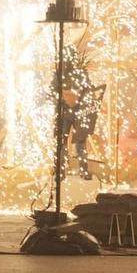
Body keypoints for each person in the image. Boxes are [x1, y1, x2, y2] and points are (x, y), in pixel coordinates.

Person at [54, 46, 103, 181]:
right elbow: (53, 90)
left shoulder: (74, 73)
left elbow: (88, 90)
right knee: (66, 143)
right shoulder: (67, 73)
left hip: (77, 113)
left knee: (76, 143)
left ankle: (75, 170)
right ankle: (65, 171)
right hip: (69, 112)